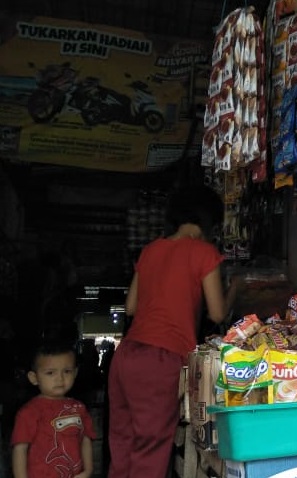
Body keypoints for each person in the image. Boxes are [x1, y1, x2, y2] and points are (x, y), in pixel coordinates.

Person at [107, 184, 238, 478]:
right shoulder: (205, 252)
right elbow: (217, 313)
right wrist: (235, 289)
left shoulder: (151, 249)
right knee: (150, 450)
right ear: (210, 223)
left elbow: (129, 307)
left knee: (123, 441)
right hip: (161, 359)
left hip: (126, 356)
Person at [11, 341, 95, 478]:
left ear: (75, 373)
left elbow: (86, 439)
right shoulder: (29, 412)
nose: (60, 379)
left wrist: (87, 471)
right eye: (50, 373)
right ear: (34, 378)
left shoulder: (79, 408)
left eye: (67, 371)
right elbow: (20, 449)